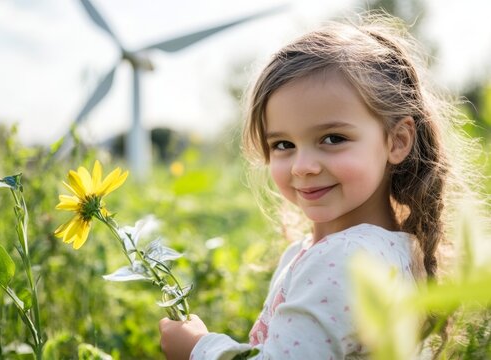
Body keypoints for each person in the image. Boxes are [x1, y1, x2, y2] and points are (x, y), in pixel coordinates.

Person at [159, 11, 481, 360]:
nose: (303, 166)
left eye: (332, 138)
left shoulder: (342, 260)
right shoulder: (397, 249)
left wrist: (199, 349)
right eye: (283, 145)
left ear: (397, 140)